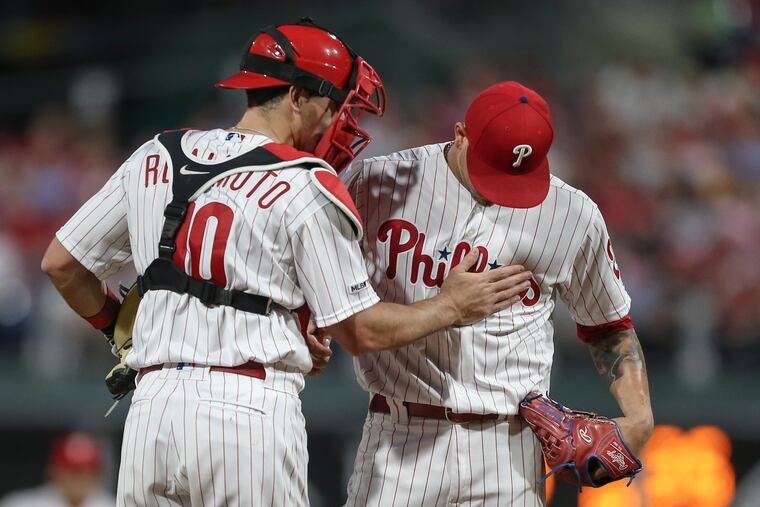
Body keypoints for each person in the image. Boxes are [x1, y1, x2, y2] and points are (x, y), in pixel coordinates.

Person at [40, 20, 532, 506]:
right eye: (335, 105)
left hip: (151, 412)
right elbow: (360, 330)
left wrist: (119, 327)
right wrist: (451, 306)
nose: (342, 121)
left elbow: (62, 264)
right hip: (246, 414)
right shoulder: (305, 181)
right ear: (297, 97)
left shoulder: (156, 155)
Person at [339, 81, 654, 506]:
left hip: (509, 450)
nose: (502, 186)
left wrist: (640, 414)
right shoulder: (378, 183)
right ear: (460, 134)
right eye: (491, 168)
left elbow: (608, 324)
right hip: (399, 438)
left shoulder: (572, 213)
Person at [0, 432, 115, 507]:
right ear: (53, 471)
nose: (76, 479)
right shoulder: (20, 504)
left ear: (97, 475)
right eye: (70, 471)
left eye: (83, 472)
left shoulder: (114, 504)